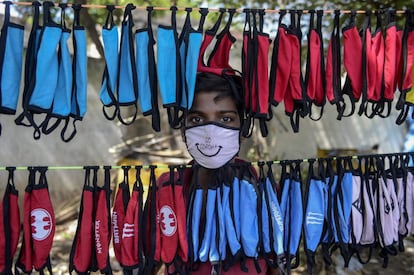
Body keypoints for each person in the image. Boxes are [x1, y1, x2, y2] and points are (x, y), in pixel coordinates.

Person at [156, 71, 279, 275]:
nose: (210, 132)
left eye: (226, 118)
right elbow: (148, 262)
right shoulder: (167, 188)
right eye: (196, 119)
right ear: (183, 129)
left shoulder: (265, 193)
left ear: (243, 128)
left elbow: (278, 266)